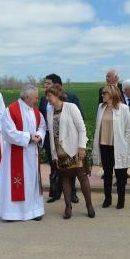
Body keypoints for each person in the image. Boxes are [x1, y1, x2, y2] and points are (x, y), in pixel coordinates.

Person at [0, 86, 46, 221]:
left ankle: (33, 212)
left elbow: (42, 126)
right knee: (15, 183)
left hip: (32, 154)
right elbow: (8, 132)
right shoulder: (11, 110)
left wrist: (39, 135)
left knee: (31, 182)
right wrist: (29, 137)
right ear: (27, 97)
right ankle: (12, 213)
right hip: (15, 155)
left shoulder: (36, 112)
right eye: (36, 97)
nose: (37, 99)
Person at [46, 84, 95, 219]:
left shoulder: (71, 107)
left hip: (75, 149)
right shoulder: (50, 111)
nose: (47, 98)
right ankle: (68, 207)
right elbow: (51, 134)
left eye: (49, 96)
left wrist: (82, 147)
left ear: (57, 95)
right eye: (47, 96)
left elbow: (81, 128)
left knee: (82, 177)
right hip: (59, 151)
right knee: (65, 178)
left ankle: (89, 205)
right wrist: (54, 153)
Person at [39, 74, 83, 203]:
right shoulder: (43, 99)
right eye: (45, 83)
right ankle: (55, 192)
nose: (45, 86)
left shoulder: (71, 98)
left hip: (68, 139)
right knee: (55, 165)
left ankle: (72, 193)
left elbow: (80, 120)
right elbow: (41, 118)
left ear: (56, 85)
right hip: (49, 138)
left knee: (71, 167)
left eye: (48, 83)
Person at [92, 84, 130, 209]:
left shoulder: (123, 108)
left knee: (120, 175)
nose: (102, 95)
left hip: (119, 146)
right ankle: (107, 199)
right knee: (107, 174)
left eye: (105, 92)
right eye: (103, 93)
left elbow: (129, 129)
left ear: (112, 94)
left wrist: (125, 144)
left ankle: (121, 200)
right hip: (104, 145)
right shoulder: (101, 107)